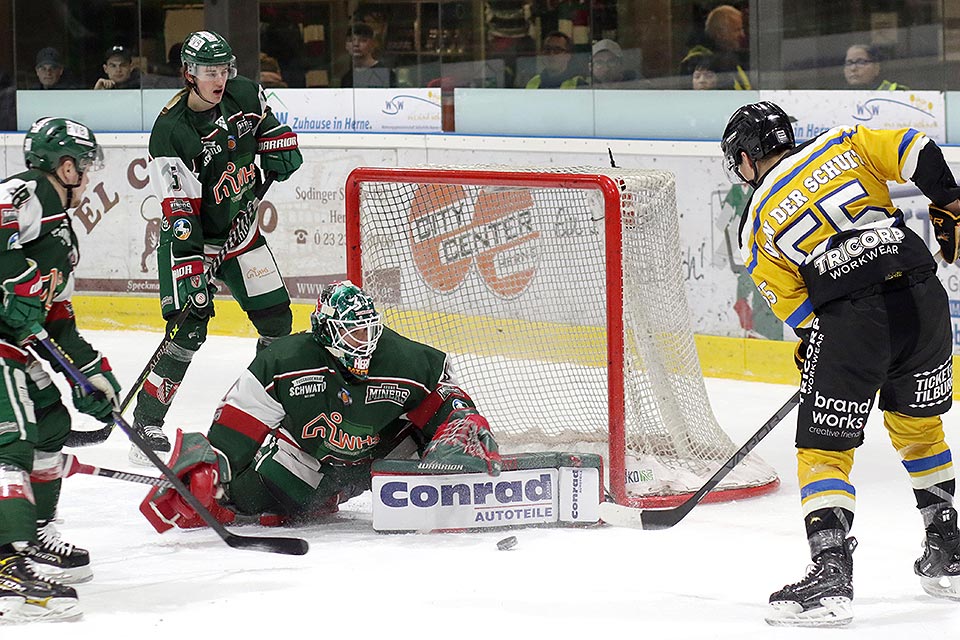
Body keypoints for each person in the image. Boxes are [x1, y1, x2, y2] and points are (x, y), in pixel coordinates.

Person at [721, 101, 960, 626]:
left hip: (854, 320)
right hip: (923, 296)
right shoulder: (842, 143)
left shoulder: (756, 222)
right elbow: (918, 149)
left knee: (822, 448)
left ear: (744, 159)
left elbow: (801, 312)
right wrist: (949, 199)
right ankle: (949, 548)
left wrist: (819, 348)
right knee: (920, 427)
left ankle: (830, 572)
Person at [140, 281, 502, 531]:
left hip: (383, 456)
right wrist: (213, 472)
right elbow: (237, 427)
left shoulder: (404, 359)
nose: (366, 343)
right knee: (247, 499)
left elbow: (445, 402)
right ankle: (323, 494)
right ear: (327, 331)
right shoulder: (282, 362)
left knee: (442, 444)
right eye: (353, 332)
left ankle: (442, 483)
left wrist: (461, 421)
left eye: (369, 330)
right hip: (312, 458)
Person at [132, 30, 303, 466]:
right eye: (210, 71)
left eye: (224, 69)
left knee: (277, 321)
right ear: (189, 73)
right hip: (193, 241)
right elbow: (181, 211)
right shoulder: (172, 132)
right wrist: (192, 268)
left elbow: (269, 127)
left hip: (242, 230)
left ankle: (265, 410)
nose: (220, 78)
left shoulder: (245, 92)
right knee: (189, 329)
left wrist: (279, 144)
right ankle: (146, 421)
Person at [0, 117, 121, 622]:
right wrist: (18, 284)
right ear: (65, 167)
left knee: (49, 423)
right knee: (14, 440)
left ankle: (35, 534)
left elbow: (58, 322)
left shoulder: (65, 239)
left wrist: (93, 374)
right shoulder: (22, 193)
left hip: (19, 348)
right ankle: (7, 561)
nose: (89, 177)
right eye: (86, 167)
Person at [682, 4, 750, 90]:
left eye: (742, 29)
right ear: (721, 33)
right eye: (737, 30)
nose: (742, 35)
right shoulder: (697, 62)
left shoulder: (735, 58)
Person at [340, 23, 394, 88]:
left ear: (372, 44)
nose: (356, 44)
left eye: (363, 41)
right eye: (351, 40)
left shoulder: (384, 73)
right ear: (346, 46)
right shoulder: (347, 78)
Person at [843, 43, 908, 90]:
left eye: (861, 62)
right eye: (849, 63)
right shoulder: (839, 96)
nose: (853, 68)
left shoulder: (897, 92)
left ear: (876, 68)